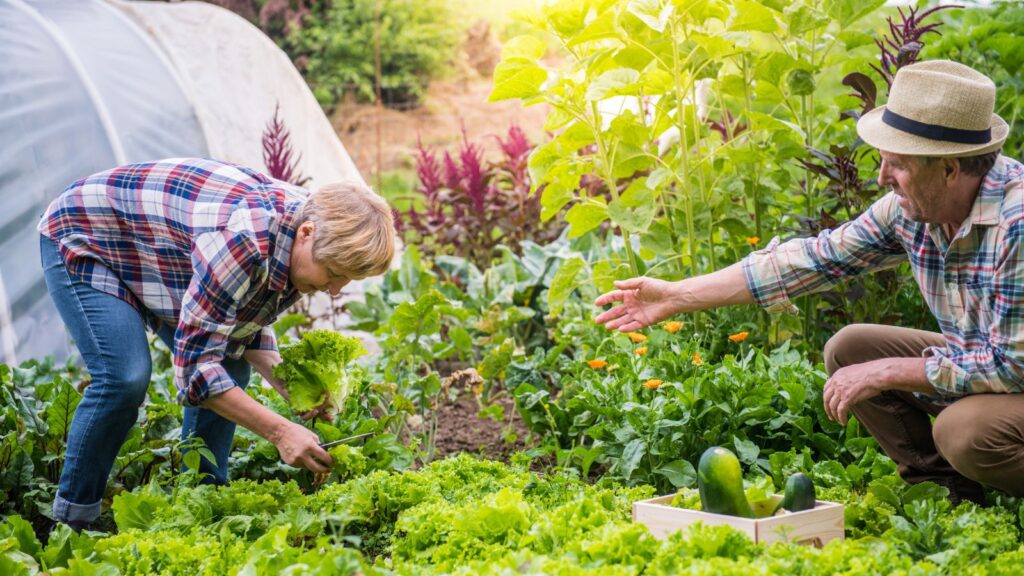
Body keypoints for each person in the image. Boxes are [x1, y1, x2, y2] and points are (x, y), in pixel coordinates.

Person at [594, 60, 1024, 504]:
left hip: (1015, 374)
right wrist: (676, 295)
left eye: (897, 165)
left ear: (950, 169)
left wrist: (888, 371)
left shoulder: (1017, 224)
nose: (881, 178)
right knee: (852, 348)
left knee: (964, 431)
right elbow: (814, 259)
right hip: (1001, 371)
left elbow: (1010, 368)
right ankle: (952, 501)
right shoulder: (913, 209)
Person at [38, 157, 396, 528]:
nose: (335, 290)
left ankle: (202, 501)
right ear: (306, 233)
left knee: (227, 360)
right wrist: (281, 432)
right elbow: (197, 371)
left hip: (158, 252)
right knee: (124, 378)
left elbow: (241, 324)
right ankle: (72, 521)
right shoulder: (242, 240)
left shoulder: (310, 232)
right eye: (334, 274)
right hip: (86, 236)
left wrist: (292, 386)